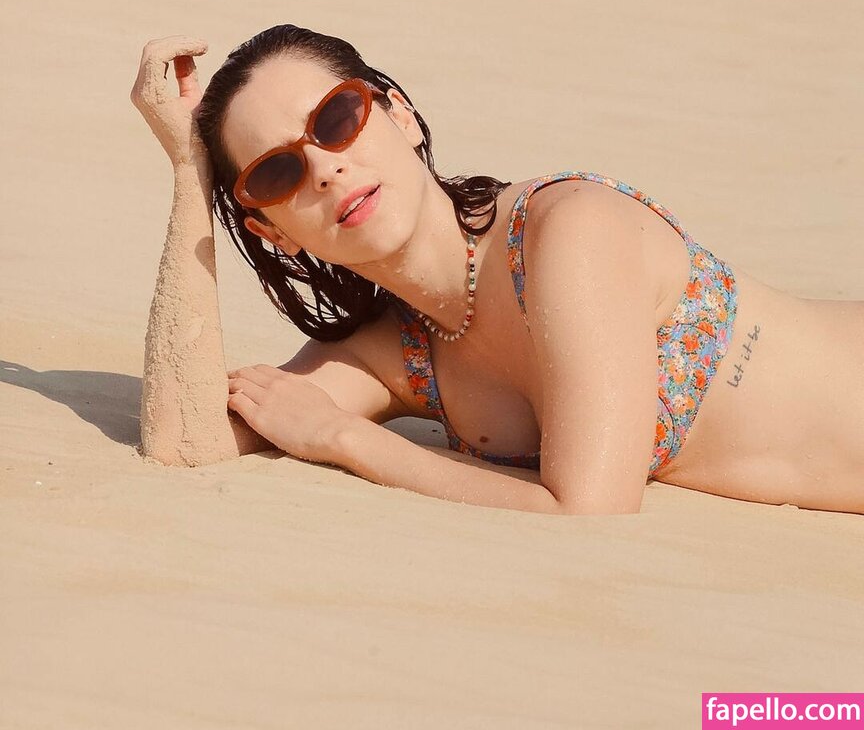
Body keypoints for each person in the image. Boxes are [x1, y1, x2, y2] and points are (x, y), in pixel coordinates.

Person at [130, 26, 864, 516]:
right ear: (274, 232)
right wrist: (190, 179)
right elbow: (184, 438)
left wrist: (346, 439)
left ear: (399, 115)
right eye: (278, 172)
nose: (325, 168)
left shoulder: (567, 233)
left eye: (335, 120)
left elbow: (590, 509)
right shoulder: (397, 354)